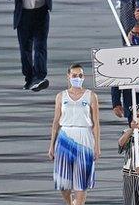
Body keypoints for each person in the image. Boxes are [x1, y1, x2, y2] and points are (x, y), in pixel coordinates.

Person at [5, 0, 69, 91]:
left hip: (41, 12)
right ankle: (29, 78)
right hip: (24, 16)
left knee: (40, 46)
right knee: (25, 49)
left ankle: (40, 77)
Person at [48, 64, 100, 205]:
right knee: (64, 183)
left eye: (80, 75)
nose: (77, 78)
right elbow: (55, 122)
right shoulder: (61, 96)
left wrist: (97, 146)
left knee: (81, 181)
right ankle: (70, 203)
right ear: (68, 76)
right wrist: (51, 146)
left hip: (85, 137)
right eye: (74, 75)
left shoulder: (91, 96)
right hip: (64, 137)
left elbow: (96, 123)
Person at [112, 21, 139, 119]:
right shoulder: (122, 53)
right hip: (131, 97)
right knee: (134, 128)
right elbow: (116, 78)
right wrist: (116, 103)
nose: (135, 36)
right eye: (133, 33)